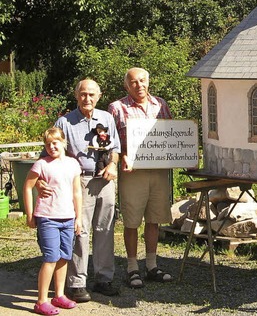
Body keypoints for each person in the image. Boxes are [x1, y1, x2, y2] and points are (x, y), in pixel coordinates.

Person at [39, 79, 121, 302]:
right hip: (79, 183)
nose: (87, 99)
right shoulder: (64, 122)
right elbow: (47, 153)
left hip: (104, 181)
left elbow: (115, 149)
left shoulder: (106, 118)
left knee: (105, 229)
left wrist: (113, 164)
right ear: (76, 95)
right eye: (83, 94)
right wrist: (39, 181)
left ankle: (103, 279)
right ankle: (77, 283)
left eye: (92, 94)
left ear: (99, 95)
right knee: (80, 231)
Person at [108, 67, 173, 288]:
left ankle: (152, 265)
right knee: (132, 221)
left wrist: (186, 155)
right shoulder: (117, 108)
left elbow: (172, 134)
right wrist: (122, 155)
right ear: (127, 86)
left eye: (143, 80)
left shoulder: (160, 105)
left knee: (154, 219)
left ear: (149, 81)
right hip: (132, 172)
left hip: (159, 171)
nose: (139, 85)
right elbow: (111, 141)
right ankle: (132, 268)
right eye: (134, 82)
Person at [24, 128, 83, 315]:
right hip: (48, 217)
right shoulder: (41, 164)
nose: (51, 147)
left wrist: (78, 217)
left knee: (64, 257)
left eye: (55, 142)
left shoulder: (73, 164)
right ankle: (41, 300)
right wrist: (29, 213)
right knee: (50, 258)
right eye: (48, 144)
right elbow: (27, 186)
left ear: (64, 143)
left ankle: (59, 295)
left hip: (68, 217)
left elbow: (76, 191)